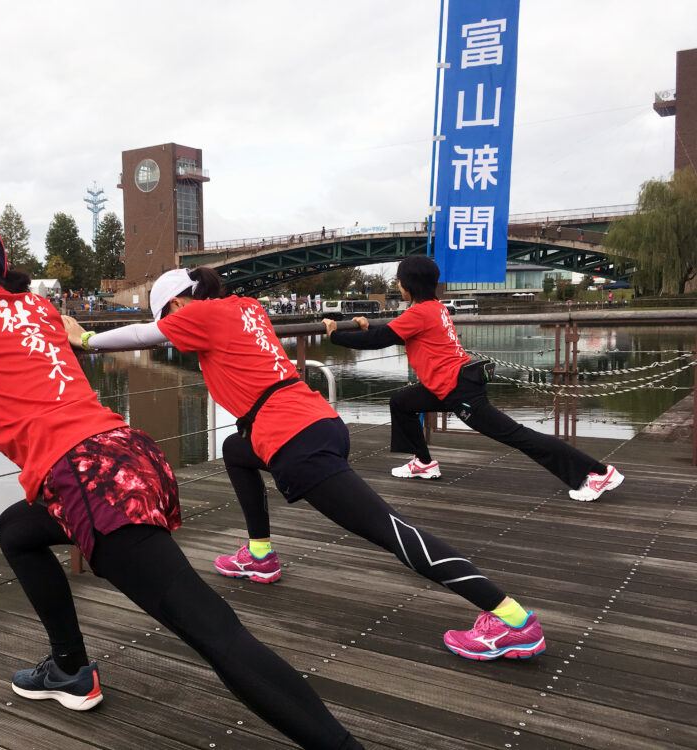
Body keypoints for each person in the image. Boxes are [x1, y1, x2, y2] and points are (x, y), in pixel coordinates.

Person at [0, 213, 362, 750]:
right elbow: (63, 330)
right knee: (18, 530)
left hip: (89, 476)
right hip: (126, 457)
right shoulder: (37, 310)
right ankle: (70, 668)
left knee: (214, 631)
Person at [64, 266, 547, 662]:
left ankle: (510, 618)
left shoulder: (197, 315)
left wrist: (84, 338)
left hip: (296, 439)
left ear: (175, 306)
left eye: (168, 317)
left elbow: (141, 336)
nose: (173, 329)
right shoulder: (245, 308)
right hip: (316, 419)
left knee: (391, 531)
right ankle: (258, 555)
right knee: (236, 452)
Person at [323, 255, 623, 503]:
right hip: (450, 383)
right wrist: (364, 329)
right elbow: (397, 335)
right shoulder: (432, 309)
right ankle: (424, 463)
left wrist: (336, 335)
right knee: (401, 402)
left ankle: (596, 473)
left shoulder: (420, 313)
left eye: (399, 281)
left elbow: (381, 340)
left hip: (457, 389)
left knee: (517, 435)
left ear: (408, 284)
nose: (398, 285)